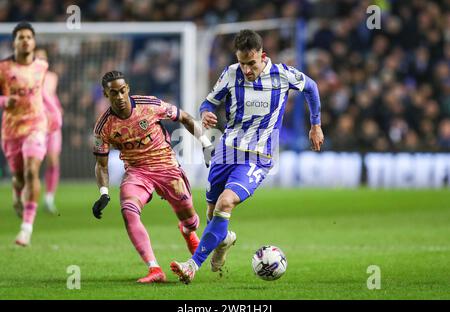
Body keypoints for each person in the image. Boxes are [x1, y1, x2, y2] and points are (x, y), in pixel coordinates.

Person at [170, 29, 324, 284]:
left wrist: (315, 124)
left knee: (225, 203)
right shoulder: (231, 73)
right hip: (226, 150)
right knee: (212, 214)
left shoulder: (282, 75)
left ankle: (192, 265)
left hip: (258, 156)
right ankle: (224, 240)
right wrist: (206, 113)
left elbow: (311, 87)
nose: (246, 70)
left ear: (262, 56)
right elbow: (208, 102)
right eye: (242, 63)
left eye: (251, 63)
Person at [92, 71, 213, 284]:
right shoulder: (103, 127)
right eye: (113, 93)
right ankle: (154, 268)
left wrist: (206, 144)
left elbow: (184, 117)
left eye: (122, 91)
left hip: (166, 166)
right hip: (137, 171)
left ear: (127, 88)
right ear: (105, 94)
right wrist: (103, 193)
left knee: (191, 220)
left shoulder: (149, 105)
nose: (119, 97)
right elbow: (101, 164)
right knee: (128, 210)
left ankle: (187, 231)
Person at [0, 22, 51, 246]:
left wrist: (54, 114)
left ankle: (26, 229)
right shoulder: (3, 69)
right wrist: (3, 100)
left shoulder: (42, 66)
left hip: (36, 125)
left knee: (32, 171)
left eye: (29, 37)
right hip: (11, 130)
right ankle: (16, 190)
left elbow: (42, 93)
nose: (25, 40)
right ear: (14, 42)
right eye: (21, 37)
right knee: (20, 176)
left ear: (34, 41)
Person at [35, 47, 63, 215]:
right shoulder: (27, 78)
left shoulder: (52, 77)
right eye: (37, 57)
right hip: (36, 124)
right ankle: (28, 196)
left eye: (43, 57)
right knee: (33, 163)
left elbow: (51, 96)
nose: (40, 60)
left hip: (52, 124)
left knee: (53, 160)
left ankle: (49, 198)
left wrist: (58, 109)